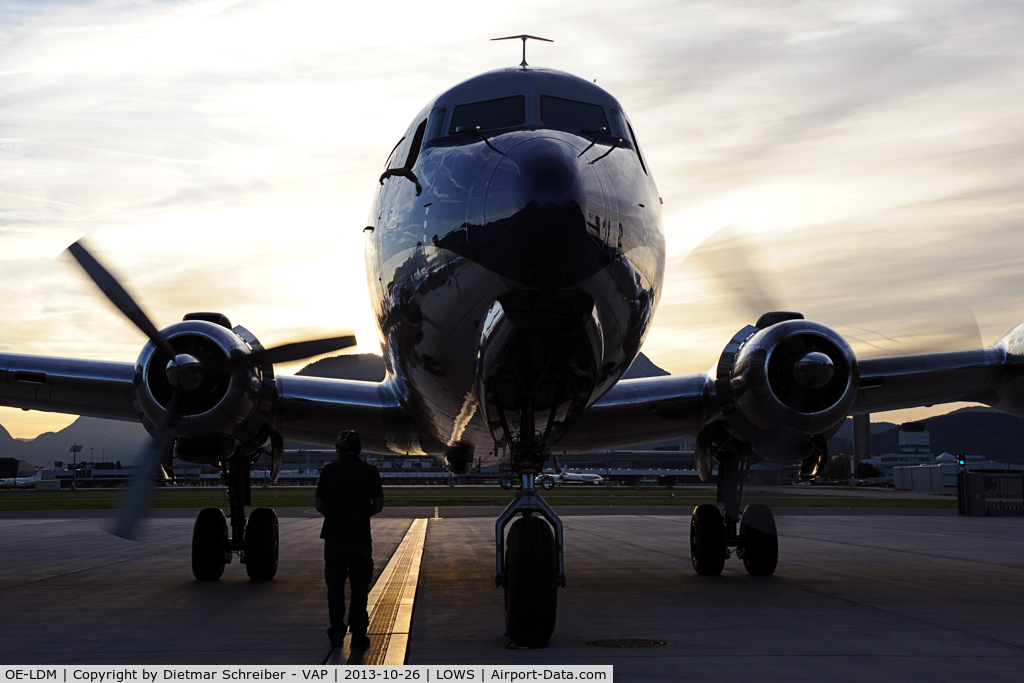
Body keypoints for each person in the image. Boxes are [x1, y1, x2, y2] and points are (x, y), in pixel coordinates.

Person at [315, 430, 384, 650]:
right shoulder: (370, 471)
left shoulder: (329, 470)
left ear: (342, 447)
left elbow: (319, 504)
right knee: (359, 588)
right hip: (360, 538)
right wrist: (360, 516)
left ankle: (336, 636)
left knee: (335, 589)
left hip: (334, 538)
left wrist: (336, 517)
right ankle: (358, 634)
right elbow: (378, 505)